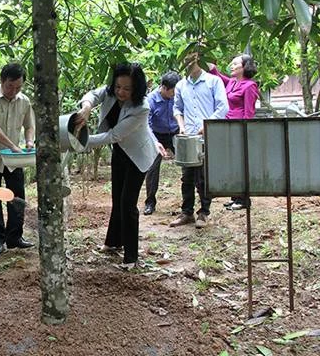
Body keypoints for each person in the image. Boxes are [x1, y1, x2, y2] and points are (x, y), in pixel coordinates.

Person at [75, 62, 163, 268]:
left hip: (138, 156)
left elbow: (114, 135)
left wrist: (80, 141)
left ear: (137, 88)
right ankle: (113, 242)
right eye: (118, 87)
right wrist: (86, 107)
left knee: (127, 203)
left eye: (127, 88)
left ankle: (131, 256)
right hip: (120, 153)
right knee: (117, 198)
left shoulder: (142, 107)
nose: (121, 92)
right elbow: (93, 95)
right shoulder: (110, 93)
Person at [0, 62, 36, 254]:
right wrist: (12, 145)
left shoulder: (24, 101)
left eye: (18, 87)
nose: (14, 91)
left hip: (14, 160)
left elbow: (29, 125)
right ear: (2, 81)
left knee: (17, 198)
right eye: (10, 86)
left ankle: (15, 237)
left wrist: (29, 142)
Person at [169, 50, 229, 229]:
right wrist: (181, 124)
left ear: (200, 60)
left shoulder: (213, 81)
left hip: (207, 135)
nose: (188, 63)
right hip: (188, 136)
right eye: (185, 60)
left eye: (191, 59)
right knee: (186, 176)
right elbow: (177, 108)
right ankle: (186, 212)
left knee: (203, 176)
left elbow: (223, 107)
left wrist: (207, 124)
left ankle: (204, 212)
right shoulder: (181, 85)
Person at [208, 55, 259, 210]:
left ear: (244, 67)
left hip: (239, 129)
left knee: (241, 164)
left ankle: (244, 199)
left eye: (235, 63)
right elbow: (215, 74)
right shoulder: (231, 83)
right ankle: (235, 197)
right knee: (232, 163)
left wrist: (244, 132)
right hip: (227, 127)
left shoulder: (250, 86)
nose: (232, 65)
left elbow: (249, 112)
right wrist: (203, 54)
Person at [143, 72, 181, 215]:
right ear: (164, 88)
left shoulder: (177, 96)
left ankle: (192, 203)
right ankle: (150, 203)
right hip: (156, 135)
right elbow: (146, 125)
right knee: (152, 168)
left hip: (176, 132)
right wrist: (155, 142)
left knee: (189, 163)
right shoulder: (151, 100)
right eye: (172, 91)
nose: (174, 94)